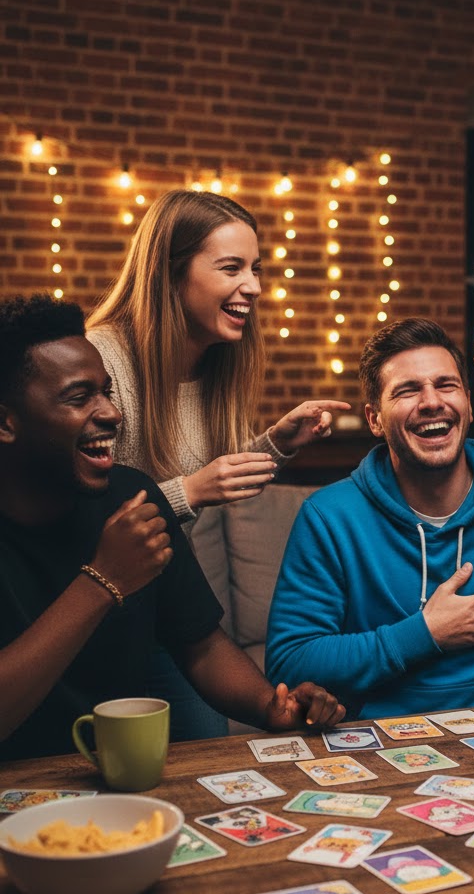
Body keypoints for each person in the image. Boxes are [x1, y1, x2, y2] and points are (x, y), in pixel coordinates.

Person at [0, 295, 345, 762]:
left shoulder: (132, 497)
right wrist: (104, 581)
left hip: (122, 777)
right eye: (80, 397)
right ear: (6, 421)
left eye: (107, 392)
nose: (110, 413)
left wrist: (272, 705)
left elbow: (201, 644)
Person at [84, 190, 349, 738]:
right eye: (231, 268)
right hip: (86, 618)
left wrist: (275, 444)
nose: (252, 285)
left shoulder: (216, 368)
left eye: (255, 268)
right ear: (170, 274)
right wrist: (189, 492)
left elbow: (208, 477)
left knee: (211, 748)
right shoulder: (101, 361)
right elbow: (83, 515)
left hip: (162, 616)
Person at [266, 317, 474, 718]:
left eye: (446, 385)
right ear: (375, 419)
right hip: (380, 744)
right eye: (407, 390)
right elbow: (291, 660)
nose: (431, 401)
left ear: (468, 402)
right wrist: (424, 634)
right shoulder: (329, 517)